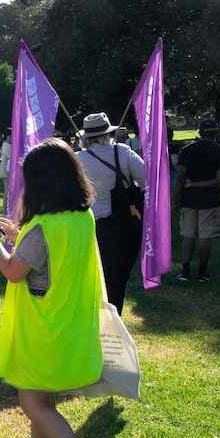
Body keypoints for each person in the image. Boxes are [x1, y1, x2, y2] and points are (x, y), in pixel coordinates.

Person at [0, 137, 119, 438]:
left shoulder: (41, 228)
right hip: (69, 321)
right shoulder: (82, 216)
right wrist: (18, 233)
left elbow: (14, 272)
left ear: (39, 182)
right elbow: (50, 255)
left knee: (33, 402)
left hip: (44, 327)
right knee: (42, 396)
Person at [76, 112, 145, 315]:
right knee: (118, 278)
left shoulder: (78, 159)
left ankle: (94, 318)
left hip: (89, 225)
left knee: (92, 276)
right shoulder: (122, 152)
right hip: (122, 224)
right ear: (107, 133)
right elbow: (147, 176)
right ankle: (114, 320)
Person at [172, 119, 220, 282]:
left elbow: (180, 177)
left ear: (199, 132)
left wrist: (174, 201)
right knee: (206, 236)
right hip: (210, 200)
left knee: (188, 235)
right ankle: (202, 272)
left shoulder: (187, 150)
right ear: (215, 133)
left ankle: (185, 270)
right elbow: (219, 180)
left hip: (189, 200)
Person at [0, 129, 12, 215]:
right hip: (7, 169)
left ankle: (6, 212)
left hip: (5, 169)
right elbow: (10, 157)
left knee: (7, 192)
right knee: (7, 192)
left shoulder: (4, 145)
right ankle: (5, 212)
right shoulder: (7, 145)